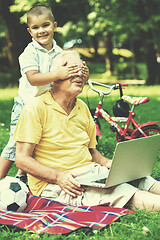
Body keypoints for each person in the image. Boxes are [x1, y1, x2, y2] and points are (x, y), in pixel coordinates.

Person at [14, 50, 160, 212]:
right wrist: (58, 176)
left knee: (141, 179)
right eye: (70, 69)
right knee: (121, 191)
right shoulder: (35, 108)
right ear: (54, 77)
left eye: (81, 69)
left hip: (91, 173)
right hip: (57, 184)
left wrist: (110, 164)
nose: (79, 74)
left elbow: (92, 152)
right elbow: (21, 159)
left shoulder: (82, 107)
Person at [0, 5, 89, 183]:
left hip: (47, 106)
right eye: (36, 27)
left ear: (55, 26)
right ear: (29, 31)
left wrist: (83, 74)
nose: (41, 31)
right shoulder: (28, 54)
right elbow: (33, 79)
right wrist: (58, 74)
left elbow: (69, 77)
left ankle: (21, 177)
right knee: (16, 144)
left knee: (38, 143)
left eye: (45, 25)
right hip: (26, 105)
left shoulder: (60, 53)